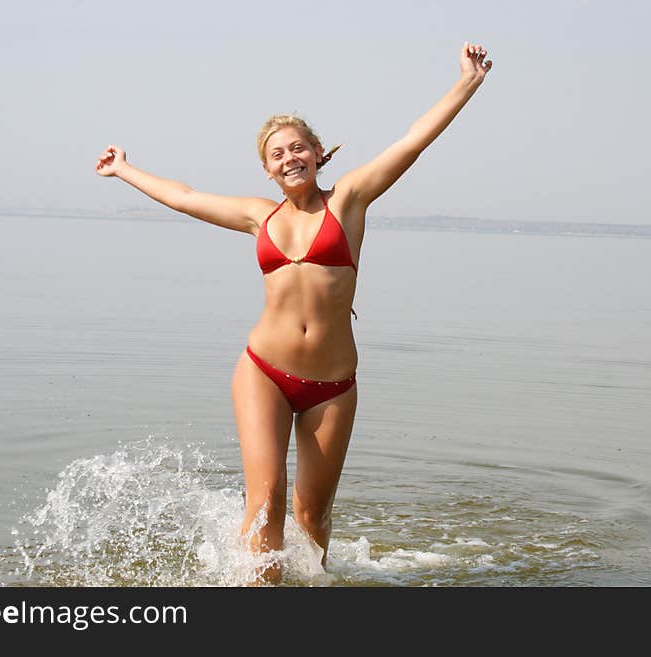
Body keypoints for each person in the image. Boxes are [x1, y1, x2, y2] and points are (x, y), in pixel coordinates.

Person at [96, 42, 492, 584]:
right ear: (267, 170)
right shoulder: (259, 218)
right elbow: (185, 197)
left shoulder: (349, 199)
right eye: (277, 154)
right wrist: (125, 170)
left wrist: (466, 83)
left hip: (332, 384)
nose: (289, 158)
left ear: (318, 151)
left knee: (313, 516)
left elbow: (412, 143)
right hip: (264, 371)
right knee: (267, 504)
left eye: (297, 148)